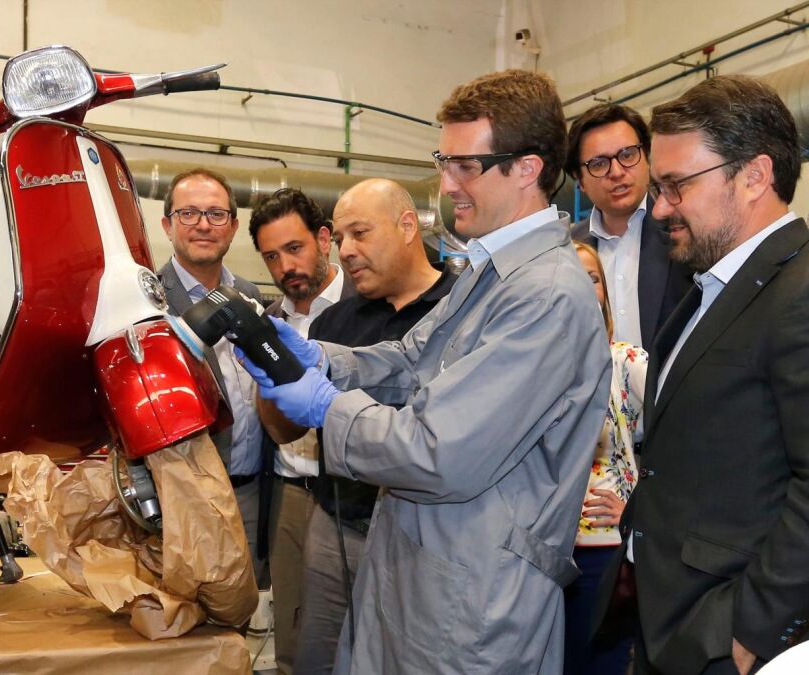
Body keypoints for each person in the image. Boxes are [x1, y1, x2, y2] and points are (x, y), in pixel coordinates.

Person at [238, 69, 610, 673]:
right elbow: (415, 359)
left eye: (465, 166)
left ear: (527, 168)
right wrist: (324, 359)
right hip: (430, 568)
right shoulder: (495, 271)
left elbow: (437, 451)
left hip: (474, 595)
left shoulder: (544, 294)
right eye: (444, 162)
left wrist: (326, 407)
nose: (447, 184)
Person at [601, 75, 809, 675]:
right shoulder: (712, 288)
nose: (660, 208)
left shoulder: (798, 293)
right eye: (658, 188)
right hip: (670, 617)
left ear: (754, 175)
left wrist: (749, 630)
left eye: (676, 186)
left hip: (726, 634)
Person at [294, 178, 456, 674]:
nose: (345, 250)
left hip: (424, 535)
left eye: (360, 233)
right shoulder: (332, 325)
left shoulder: (461, 312)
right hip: (337, 526)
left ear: (407, 226)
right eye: (340, 237)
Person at [248, 187, 352, 674]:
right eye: (272, 256)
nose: (285, 266)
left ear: (324, 239)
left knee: (354, 634)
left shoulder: (366, 304)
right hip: (290, 494)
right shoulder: (268, 322)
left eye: (295, 248)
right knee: (292, 633)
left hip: (353, 497)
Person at [156, 168, 265, 573]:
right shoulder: (148, 300)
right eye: (188, 213)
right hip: (181, 502)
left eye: (217, 214)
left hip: (251, 494)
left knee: (247, 605)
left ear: (233, 226)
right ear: (167, 225)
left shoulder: (250, 295)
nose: (203, 225)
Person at [564, 241, 647, 675]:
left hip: (604, 550)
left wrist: (639, 509)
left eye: (593, 278)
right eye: (572, 277)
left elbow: (685, 436)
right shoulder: (530, 366)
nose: (584, 286)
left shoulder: (626, 361)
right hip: (542, 551)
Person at [566, 104, 694, 353]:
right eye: (598, 164)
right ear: (579, 179)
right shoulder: (567, 251)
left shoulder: (687, 231)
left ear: (647, 158)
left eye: (627, 155)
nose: (616, 172)